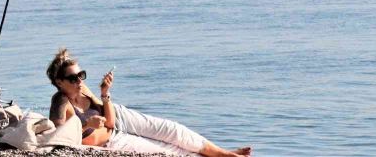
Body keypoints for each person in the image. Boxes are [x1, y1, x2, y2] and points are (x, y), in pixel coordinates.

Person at [47, 49, 251, 157]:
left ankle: (223, 153)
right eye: (73, 78)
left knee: (174, 131)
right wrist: (86, 127)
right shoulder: (61, 101)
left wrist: (105, 93)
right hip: (111, 140)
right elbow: (57, 135)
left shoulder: (83, 90)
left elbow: (109, 122)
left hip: (118, 118)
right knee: (165, 151)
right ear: (59, 82)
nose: (79, 81)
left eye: (81, 75)